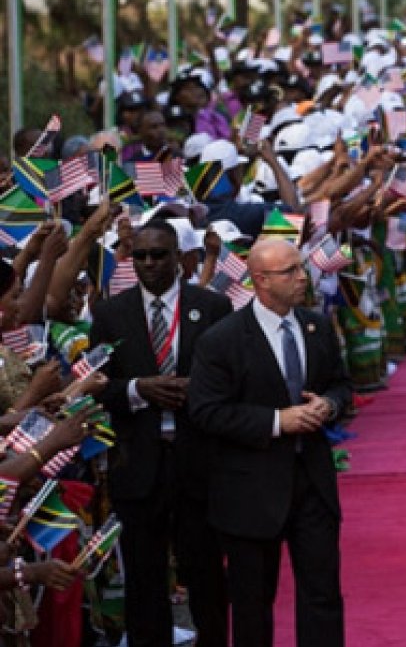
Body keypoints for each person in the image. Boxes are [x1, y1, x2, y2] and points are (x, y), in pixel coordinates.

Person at [187, 239, 352, 647]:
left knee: (322, 594)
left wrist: (329, 406)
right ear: (261, 280)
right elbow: (206, 411)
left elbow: (341, 385)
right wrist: (278, 421)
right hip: (250, 489)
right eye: (291, 271)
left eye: (301, 268)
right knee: (252, 604)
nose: (302, 278)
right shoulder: (221, 340)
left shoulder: (316, 327)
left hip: (311, 481)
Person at [90, 219, 233, 647]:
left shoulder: (211, 308)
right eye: (140, 256)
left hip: (199, 461)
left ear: (179, 259)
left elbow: (233, 380)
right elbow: (96, 387)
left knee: (206, 571)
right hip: (139, 463)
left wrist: (200, 390)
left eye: (159, 255)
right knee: (144, 577)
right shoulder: (110, 314)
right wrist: (139, 389)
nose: (149, 263)